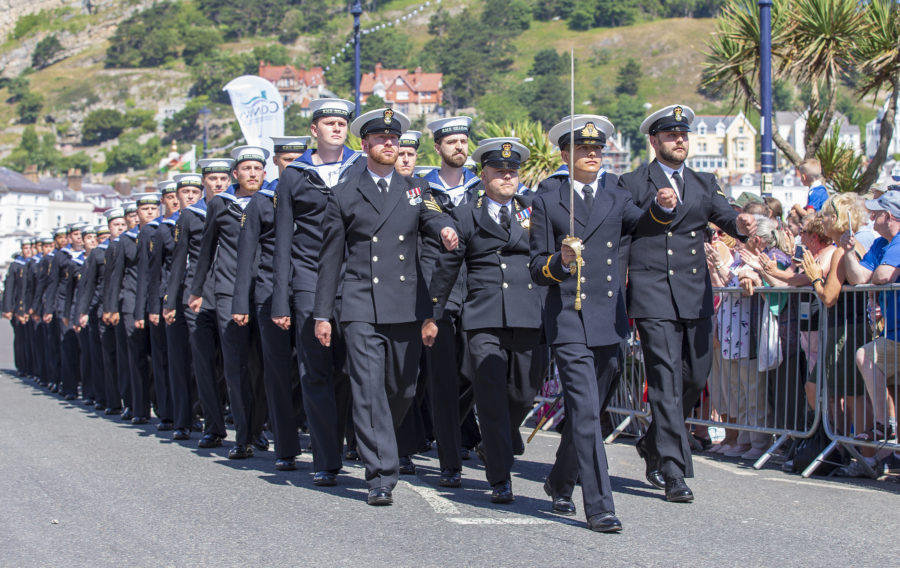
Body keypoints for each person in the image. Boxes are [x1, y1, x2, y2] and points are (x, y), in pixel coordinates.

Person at [530, 115, 678, 532]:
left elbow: (642, 225)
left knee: (588, 411)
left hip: (609, 316)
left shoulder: (614, 190)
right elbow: (536, 267)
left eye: (598, 149)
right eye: (584, 149)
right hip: (568, 315)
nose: (593, 155)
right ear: (565, 155)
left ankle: (560, 480)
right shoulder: (548, 198)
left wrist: (662, 208)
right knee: (587, 411)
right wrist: (559, 262)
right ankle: (599, 505)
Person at [313, 107, 458, 506]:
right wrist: (322, 314)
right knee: (369, 389)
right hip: (359, 305)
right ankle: (380, 474)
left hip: (405, 305)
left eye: (394, 139)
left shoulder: (415, 189)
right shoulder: (344, 192)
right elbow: (330, 259)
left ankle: (376, 439)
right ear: (366, 145)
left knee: (401, 387)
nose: (390, 144)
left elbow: (433, 219)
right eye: (381, 139)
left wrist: (446, 228)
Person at [618, 104, 756, 502]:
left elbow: (726, 216)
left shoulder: (703, 181)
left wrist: (742, 225)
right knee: (665, 379)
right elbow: (628, 225)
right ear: (654, 141)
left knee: (695, 377)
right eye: (670, 135)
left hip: (695, 294)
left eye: (683, 135)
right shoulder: (632, 181)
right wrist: (656, 207)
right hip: (653, 291)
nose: (679, 140)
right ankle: (673, 470)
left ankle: (651, 441)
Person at [427, 137, 543, 503]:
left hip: (527, 315)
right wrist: (433, 315)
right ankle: (499, 476)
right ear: (484, 175)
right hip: (483, 317)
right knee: (490, 395)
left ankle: (499, 442)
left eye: (513, 172)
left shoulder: (534, 211)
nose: (507, 178)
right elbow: (448, 267)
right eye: (499, 172)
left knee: (524, 392)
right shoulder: (467, 214)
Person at [271, 98, 363, 485]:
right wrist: (281, 298)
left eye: (342, 122)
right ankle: (326, 459)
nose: (337, 128)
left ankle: (340, 440)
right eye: (329, 122)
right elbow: (283, 240)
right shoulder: (295, 175)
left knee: (347, 369)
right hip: (308, 279)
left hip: (354, 276)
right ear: (314, 130)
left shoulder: (361, 167)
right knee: (315, 370)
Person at [232, 136, 309, 471]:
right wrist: (240, 303)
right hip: (268, 293)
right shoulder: (262, 201)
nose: (291, 165)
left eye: (297, 159)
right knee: (276, 373)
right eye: (286, 160)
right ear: (276, 163)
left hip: (308, 290)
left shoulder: (314, 193)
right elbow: (246, 255)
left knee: (314, 369)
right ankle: (286, 447)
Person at [191, 146, 270, 459]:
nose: (252, 174)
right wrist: (196, 290)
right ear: (236, 173)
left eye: (257, 168)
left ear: (264, 173)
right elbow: (206, 249)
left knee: (263, 366)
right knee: (235, 366)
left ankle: (257, 427)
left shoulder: (272, 201)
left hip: (263, 291)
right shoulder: (222, 205)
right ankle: (242, 435)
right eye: (246, 168)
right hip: (226, 293)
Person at [419, 115, 483, 487]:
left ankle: (461, 433)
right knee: (442, 380)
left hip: (477, 294)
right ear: (438, 148)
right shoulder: (421, 190)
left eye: (464, 141)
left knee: (478, 374)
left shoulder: (482, 187)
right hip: (437, 297)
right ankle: (448, 460)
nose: (459, 147)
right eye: (452, 142)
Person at [164, 159, 232, 448]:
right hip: (198, 297)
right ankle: (213, 427)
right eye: (212, 178)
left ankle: (249, 427)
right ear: (204, 181)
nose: (218, 183)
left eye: (222, 178)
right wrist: (171, 300)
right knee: (204, 363)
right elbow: (179, 260)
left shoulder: (237, 206)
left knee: (233, 363)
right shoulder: (190, 215)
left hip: (230, 292)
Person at [842, 191, 900, 476]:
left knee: (867, 356)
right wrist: (850, 252)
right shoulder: (879, 243)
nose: (871, 218)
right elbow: (859, 279)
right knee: (868, 357)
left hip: (895, 333)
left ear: (889, 217)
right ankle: (883, 426)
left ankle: (884, 429)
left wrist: (875, 273)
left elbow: (883, 277)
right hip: (893, 333)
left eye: (876, 213)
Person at [108, 193, 159, 425]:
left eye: (153, 208)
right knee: (137, 357)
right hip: (130, 303)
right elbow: (115, 276)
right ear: (136, 213)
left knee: (157, 358)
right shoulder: (125, 241)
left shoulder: (162, 231)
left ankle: (161, 405)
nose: (149, 212)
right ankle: (138, 406)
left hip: (156, 300)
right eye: (144, 208)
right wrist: (112, 306)